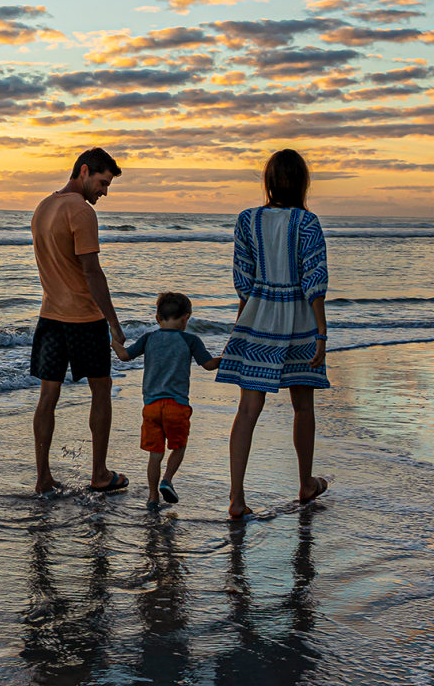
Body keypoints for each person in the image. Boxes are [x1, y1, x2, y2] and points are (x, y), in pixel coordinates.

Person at [216, 149, 332, 520]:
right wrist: (321, 332)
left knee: (247, 409)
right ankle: (305, 483)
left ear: (268, 182)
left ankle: (236, 497)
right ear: (301, 183)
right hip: (299, 319)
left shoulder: (247, 220)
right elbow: (315, 279)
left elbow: (243, 281)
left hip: (258, 317)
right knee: (303, 405)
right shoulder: (307, 222)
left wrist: (239, 330)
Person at [29, 146, 129, 497]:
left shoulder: (43, 207)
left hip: (49, 316)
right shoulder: (81, 211)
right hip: (84, 317)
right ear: (84, 171)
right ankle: (99, 474)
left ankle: (43, 478)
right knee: (101, 390)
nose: (104, 192)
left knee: (48, 395)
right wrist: (114, 324)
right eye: (103, 183)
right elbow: (92, 272)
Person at [117, 292, 220, 509]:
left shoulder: (148, 338)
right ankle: (167, 480)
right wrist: (227, 357)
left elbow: (124, 356)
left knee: (155, 455)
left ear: (157, 318)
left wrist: (114, 343)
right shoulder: (190, 340)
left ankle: (153, 497)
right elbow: (209, 365)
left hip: (151, 407)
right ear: (186, 318)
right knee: (179, 446)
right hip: (177, 406)